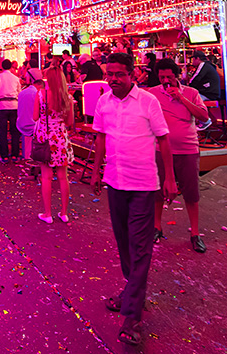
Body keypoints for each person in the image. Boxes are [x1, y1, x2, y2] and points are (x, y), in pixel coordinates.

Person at [89, 53, 177, 346]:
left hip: (143, 186)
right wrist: (95, 170)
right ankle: (132, 291)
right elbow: (100, 137)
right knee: (124, 243)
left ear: (132, 75)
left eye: (119, 74)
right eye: (109, 74)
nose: (113, 79)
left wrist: (170, 178)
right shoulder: (103, 102)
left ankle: (132, 316)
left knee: (140, 248)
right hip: (115, 182)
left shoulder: (148, 102)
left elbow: (163, 138)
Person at [148, 58, 210, 253]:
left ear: (177, 76)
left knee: (191, 193)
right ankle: (157, 227)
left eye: (169, 76)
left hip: (188, 149)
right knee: (158, 191)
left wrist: (181, 98)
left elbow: (204, 117)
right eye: (162, 77)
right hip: (160, 150)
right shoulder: (153, 94)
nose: (166, 80)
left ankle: (195, 233)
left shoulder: (191, 93)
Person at [34, 66, 75, 223]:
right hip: (60, 137)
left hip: (45, 137)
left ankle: (48, 214)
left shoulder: (41, 94)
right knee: (63, 177)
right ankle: (64, 213)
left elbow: (35, 116)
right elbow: (70, 122)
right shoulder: (67, 97)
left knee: (46, 177)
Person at [0, 59, 21, 162]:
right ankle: (15, 155)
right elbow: (19, 93)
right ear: (11, 67)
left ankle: (5, 155)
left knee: (2, 132)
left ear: (2, 67)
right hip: (14, 105)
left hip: (1, 106)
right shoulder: (16, 78)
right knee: (14, 131)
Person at [17, 68, 43, 162]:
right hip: (35, 126)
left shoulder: (22, 93)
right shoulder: (39, 94)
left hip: (21, 124)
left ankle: (27, 155)